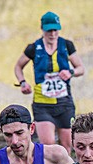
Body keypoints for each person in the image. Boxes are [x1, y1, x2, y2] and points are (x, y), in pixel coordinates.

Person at [14, 11, 85, 154]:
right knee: (48, 147)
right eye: (49, 30)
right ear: (43, 29)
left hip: (64, 102)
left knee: (66, 147)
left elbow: (81, 68)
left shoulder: (67, 45)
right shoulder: (33, 48)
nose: (52, 34)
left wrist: (70, 72)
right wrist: (23, 83)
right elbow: (18, 67)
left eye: (55, 30)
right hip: (42, 104)